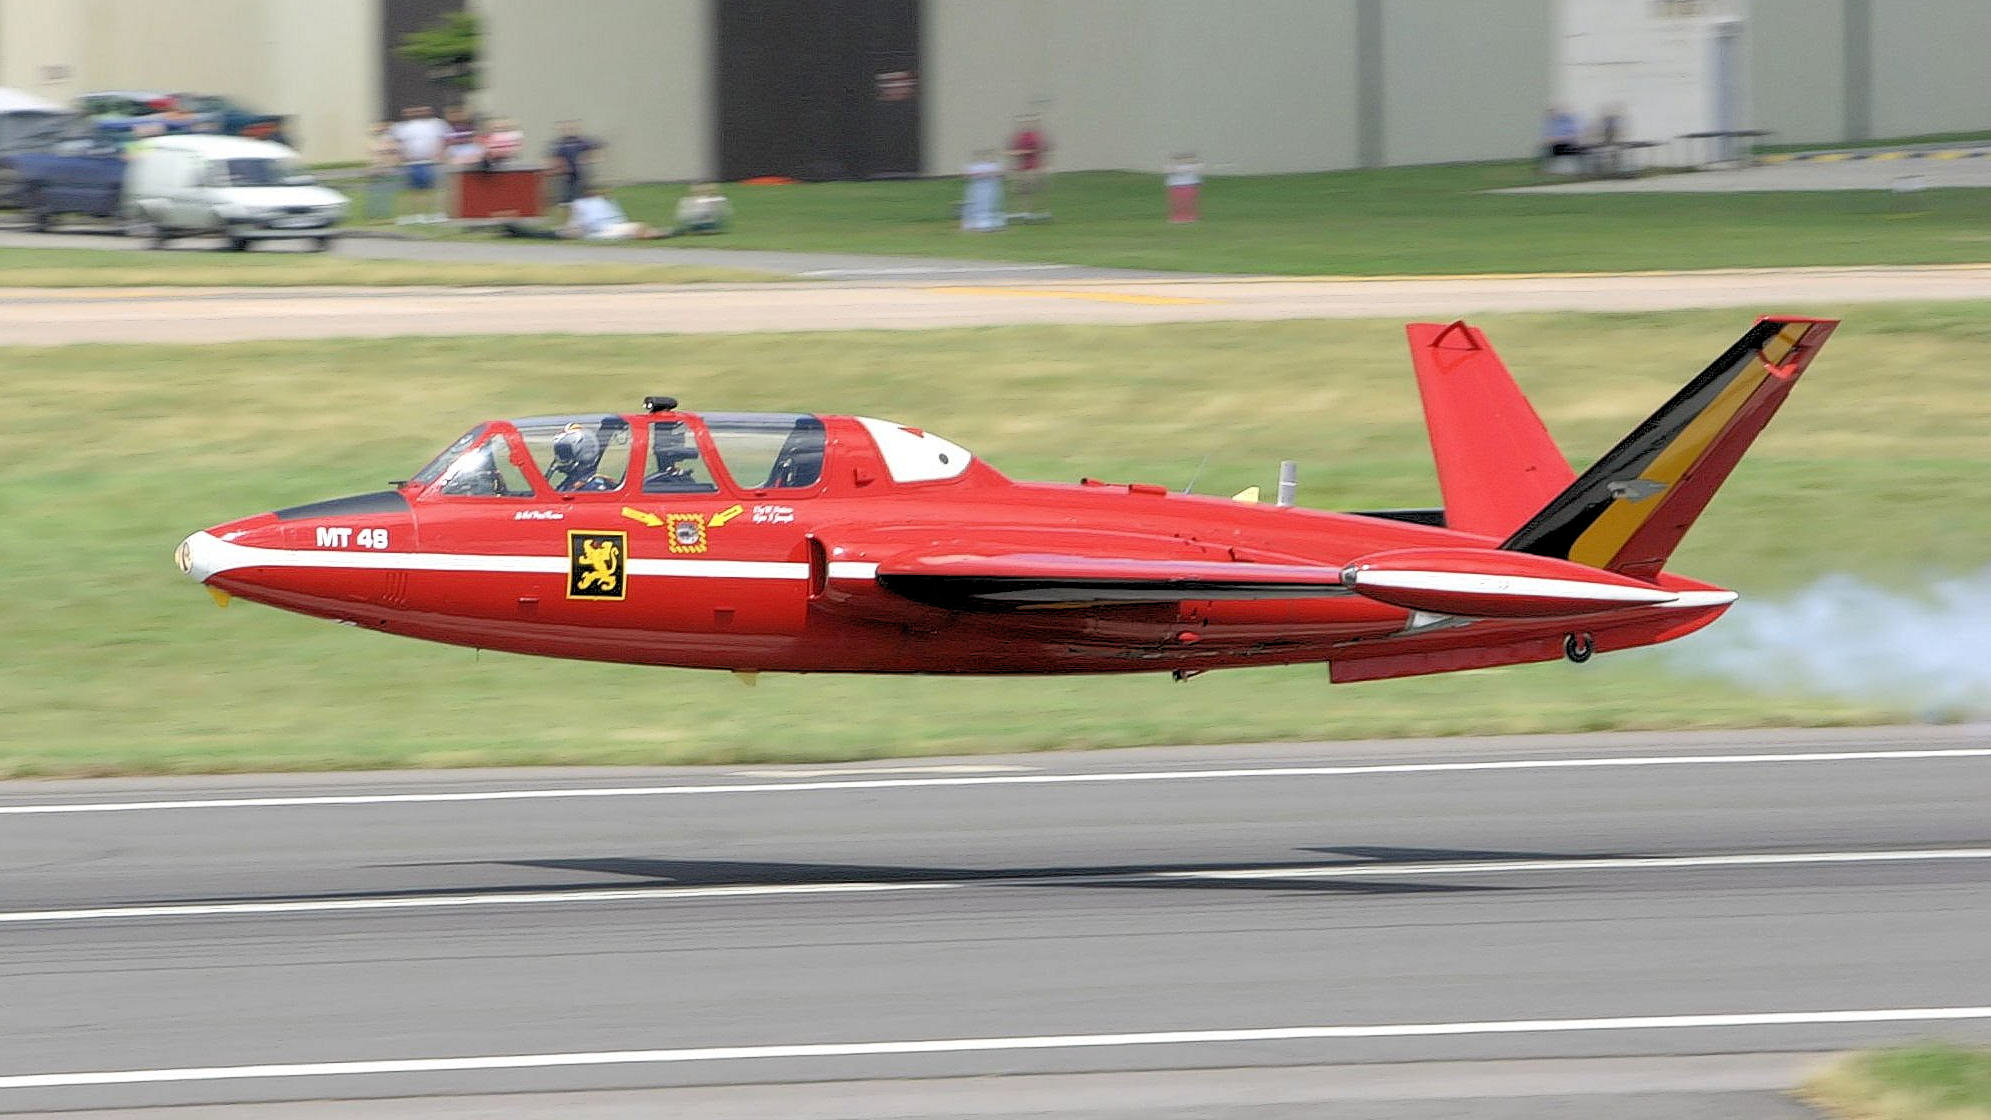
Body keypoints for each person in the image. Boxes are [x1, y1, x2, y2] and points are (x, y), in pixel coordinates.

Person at [390, 105, 449, 222]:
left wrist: (441, 155)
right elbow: (396, 144)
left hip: (432, 163)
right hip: (411, 164)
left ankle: (438, 213)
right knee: (413, 191)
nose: (417, 112)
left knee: (437, 188)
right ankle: (416, 215)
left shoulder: (437, 124)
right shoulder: (400, 127)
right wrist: (400, 158)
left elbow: (445, 140)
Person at [548, 120, 600, 205]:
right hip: (566, 173)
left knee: (580, 193)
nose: (569, 131)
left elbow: (592, 149)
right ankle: (566, 203)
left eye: (571, 128)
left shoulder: (580, 142)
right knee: (566, 193)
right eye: (566, 129)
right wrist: (558, 167)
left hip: (579, 173)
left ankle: (580, 203)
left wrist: (588, 159)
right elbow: (555, 157)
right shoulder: (560, 144)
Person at [1006, 115, 1049, 213]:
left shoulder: (1034, 136)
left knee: (1030, 186)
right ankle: (1025, 208)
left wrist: (1024, 152)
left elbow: (1038, 149)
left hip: (1031, 166)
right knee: (1024, 189)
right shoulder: (1019, 137)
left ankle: (1034, 207)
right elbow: (1013, 151)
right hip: (1022, 167)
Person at [362, 120, 401, 222]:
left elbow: (393, 151)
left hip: (386, 169)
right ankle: (373, 214)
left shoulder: (387, 140)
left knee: (386, 193)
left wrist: (392, 164)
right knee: (374, 193)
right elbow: (374, 155)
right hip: (375, 170)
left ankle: (384, 214)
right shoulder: (371, 141)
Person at [961, 149, 1005, 232]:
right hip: (977, 188)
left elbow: (1000, 174)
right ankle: (974, 223)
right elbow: (966, 176)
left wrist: (989, 175)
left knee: (989, 204)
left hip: (990, 188)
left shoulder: (994, 166)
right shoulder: (973, 167)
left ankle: (991, 222)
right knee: (975, 205)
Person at [1540, 106, 1584, 172]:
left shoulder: (1565, 122)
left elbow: (1573, 135)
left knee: (1577, 149)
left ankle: (1579, 169)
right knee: (1547, 149)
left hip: (1567, 144)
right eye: (1551, 113)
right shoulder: (1549, 125)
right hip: (1555, 146)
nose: (1553, 114)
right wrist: (1553, 140)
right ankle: (1548, 169)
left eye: (1554, 112)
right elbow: (1546, 139)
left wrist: (1559, 139)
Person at [1164, 152, 1204, 223]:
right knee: (1179, 203)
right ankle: (1178, 217)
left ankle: (1190, 216)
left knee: (1189, 203)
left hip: (1190, 186)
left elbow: (1198, 169)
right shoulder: (1172, 167)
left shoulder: (1194, 166)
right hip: (1176, 187)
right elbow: (1171, 171)